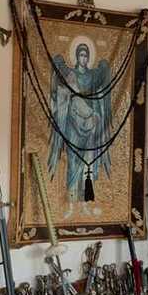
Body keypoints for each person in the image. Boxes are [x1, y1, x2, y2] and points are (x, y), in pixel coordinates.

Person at [48, 42, 113, 201]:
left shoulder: (92, 76)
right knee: (72, 158)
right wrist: (58, 62)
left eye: (86, 56)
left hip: (89, 122)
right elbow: (58, 71)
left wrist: (105, 66)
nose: (83, 58)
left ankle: (84, 199)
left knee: (87, 159)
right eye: (81, 55)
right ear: (77, 56)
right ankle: (71, 198)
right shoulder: (71, 74)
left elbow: (103, 77)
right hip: (73, 121)